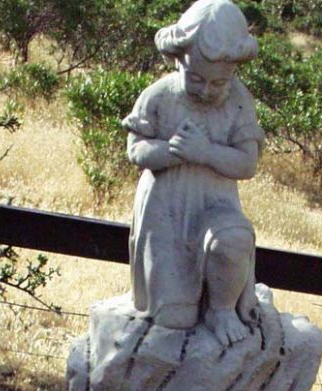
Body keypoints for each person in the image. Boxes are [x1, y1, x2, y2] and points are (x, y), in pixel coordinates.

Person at [122, 0, 265, 347]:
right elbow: (135, 148)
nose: (205, 90)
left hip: (215, 205)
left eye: (218, 83)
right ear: (177, 60)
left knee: (232, 242)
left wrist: (206, 153)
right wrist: (173, 151)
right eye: (196, 78)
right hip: (165, 212)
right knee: (173, 318)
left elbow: (247, 163)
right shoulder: (160, 95)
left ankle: (221, 309)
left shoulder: (238, 101)